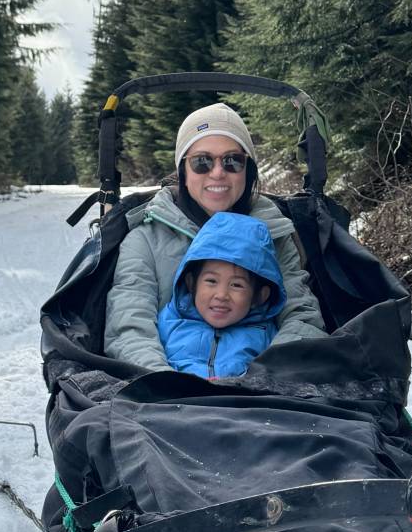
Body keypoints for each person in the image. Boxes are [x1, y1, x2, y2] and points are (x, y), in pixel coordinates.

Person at [104, 100, 327, 370]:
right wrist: (166, 386)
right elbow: (129, 327)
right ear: (183, 171)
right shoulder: (146, 240)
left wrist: (265, 380)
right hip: (166, 392)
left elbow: (301, 317)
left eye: (233, 161)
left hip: (258, 393)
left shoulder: (274, 233)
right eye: (202, 162)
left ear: (249, 170)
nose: (218, 172)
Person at [156, 211, 284, 378]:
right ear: (191, 283)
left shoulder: (267, 335)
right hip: (179, 400)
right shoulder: (170, 322)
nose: (222, 295)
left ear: (260, 296)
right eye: (211, 281)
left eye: (237, 285)